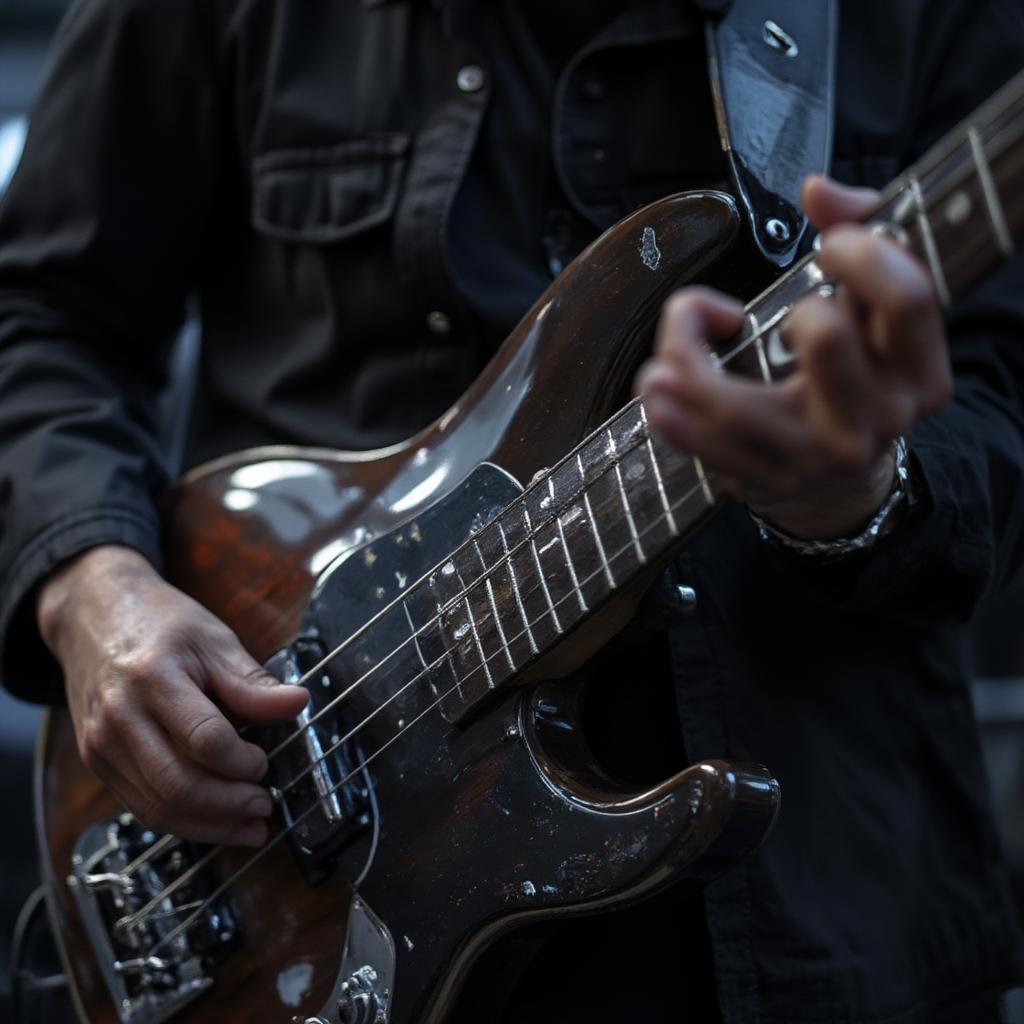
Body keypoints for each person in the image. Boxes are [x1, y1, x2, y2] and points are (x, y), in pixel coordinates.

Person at [1, 0, 1023, 1021]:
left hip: (811, 925)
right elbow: (44, 315)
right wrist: (91, 583)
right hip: (282, 870)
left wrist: (860, 493)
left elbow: (996, 398)